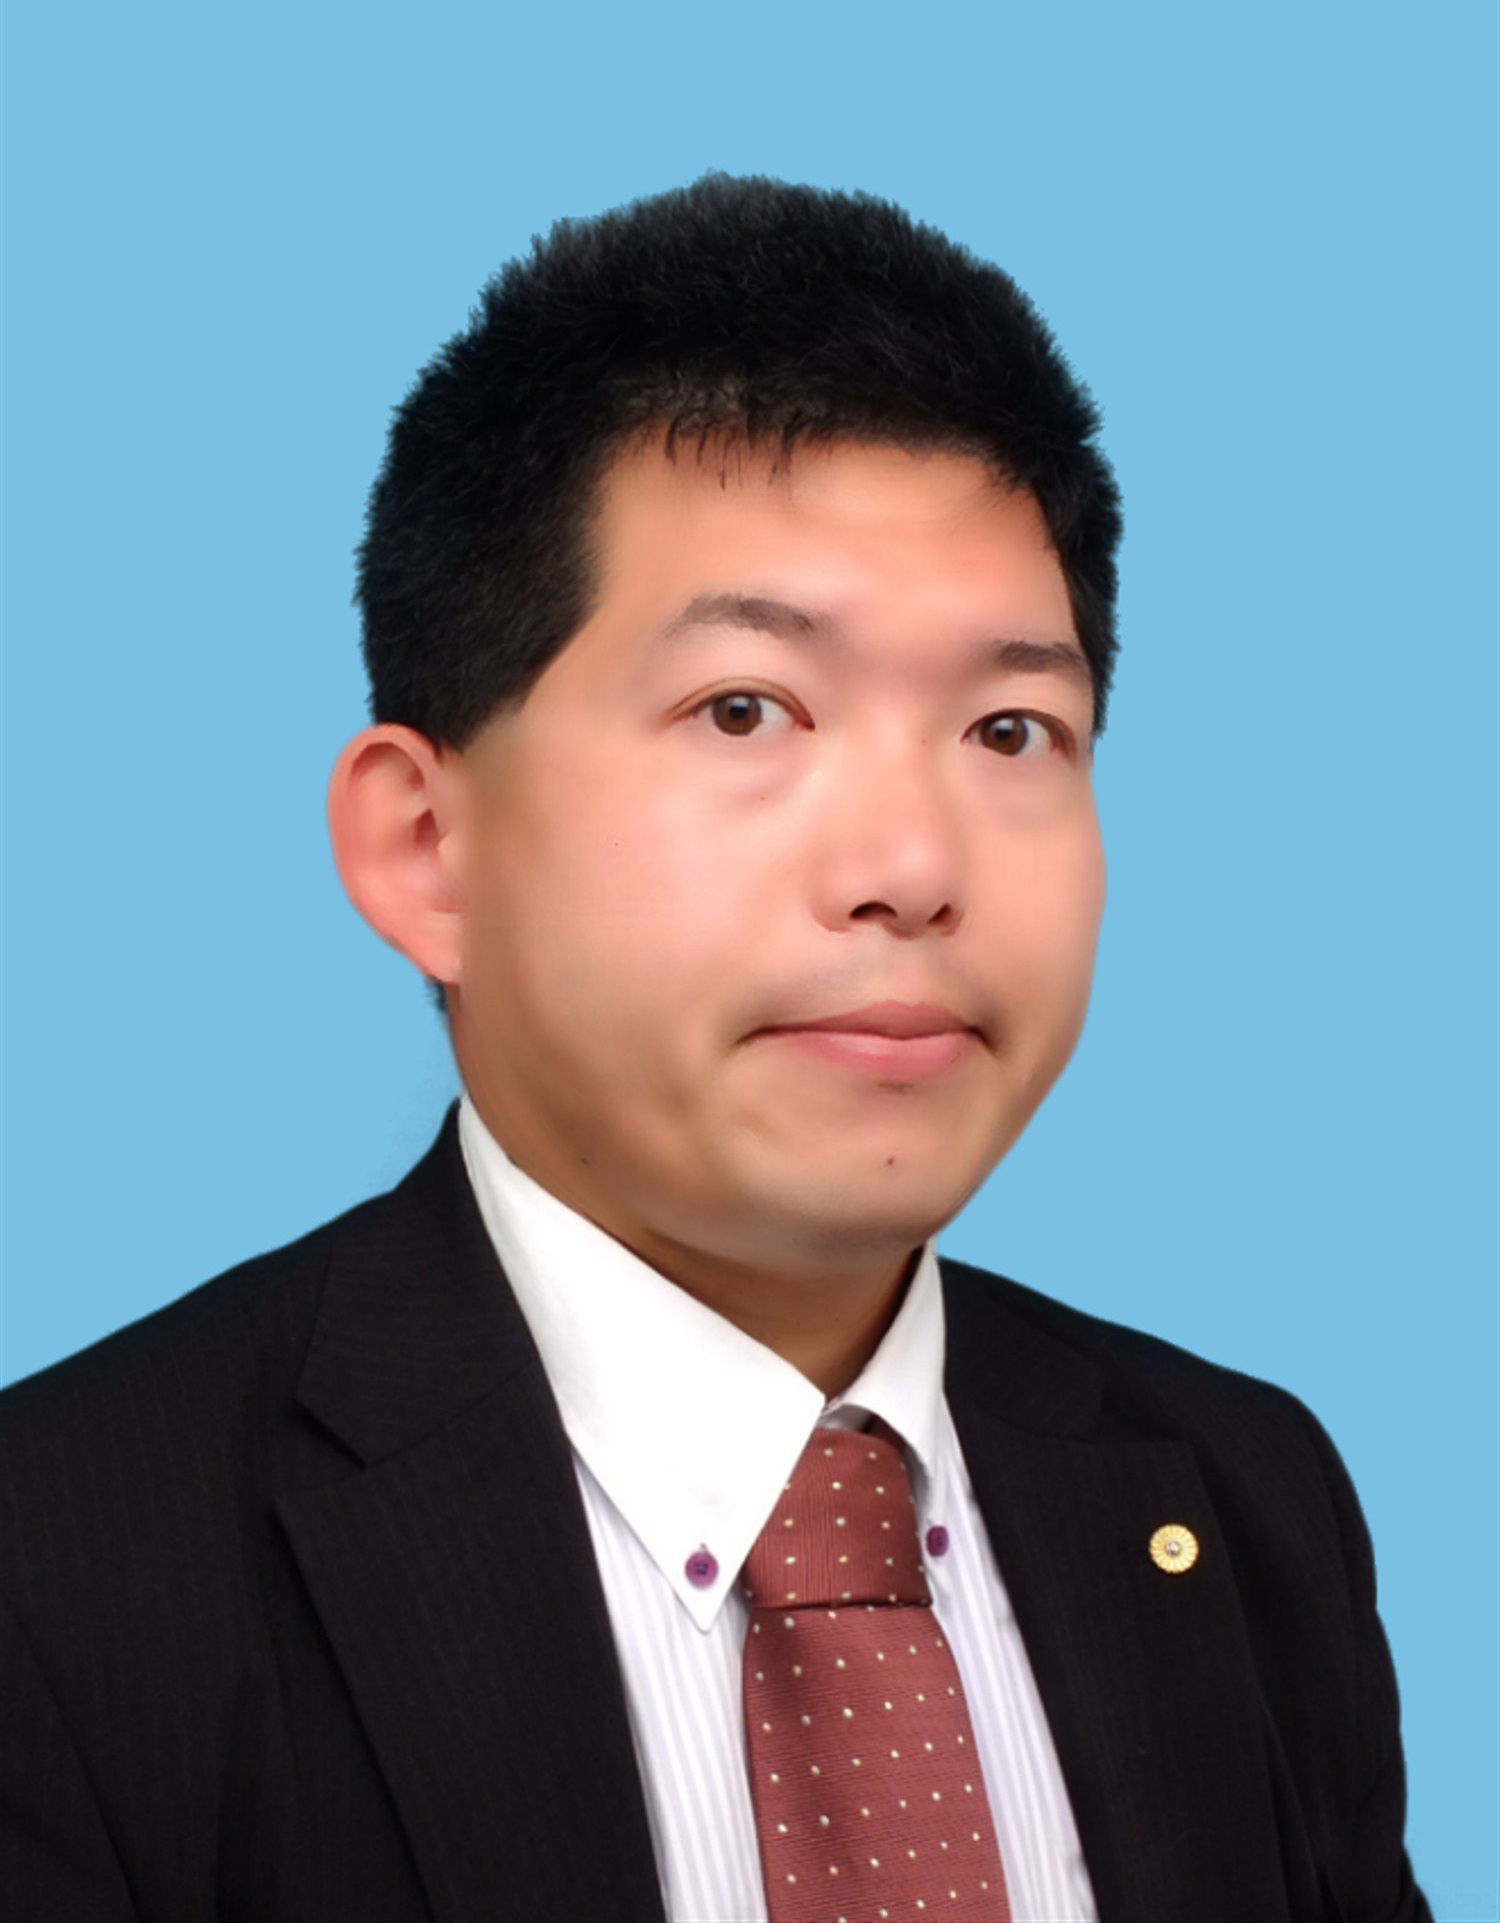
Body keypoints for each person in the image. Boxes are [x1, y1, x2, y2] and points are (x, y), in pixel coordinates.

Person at [0, 175, 1429, 1921]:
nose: (912, 866)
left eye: (1011, 729)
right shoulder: (61, 1571)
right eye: (746, 709)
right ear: (428, 849)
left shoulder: (1247, 1496)